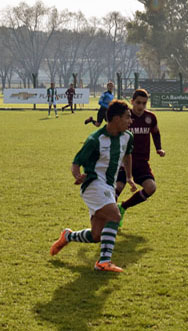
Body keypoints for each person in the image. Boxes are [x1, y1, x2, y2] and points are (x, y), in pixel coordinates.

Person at [50, 100, 137, 273]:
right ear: (116, 118)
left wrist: (129, 177)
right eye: (127, 117)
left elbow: (127, 155)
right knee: (115, 215)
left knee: (97, 235)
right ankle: (104, 262)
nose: (130, 121)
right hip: (93, 185)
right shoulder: (95, 139)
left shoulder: (127, 136)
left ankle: (68, 236)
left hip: (108, 187)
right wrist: (77, 175)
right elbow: (76, 162)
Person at [115, 89, 165, 228]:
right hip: (124, 161)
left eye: (144, 103)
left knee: (151, 188)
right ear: (132, 102)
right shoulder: (124, 117)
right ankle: (109, 219)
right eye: (138, 103)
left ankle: (123, 207)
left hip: (141, 162)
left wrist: (158, 148)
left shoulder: (150, 117)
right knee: (117, 188)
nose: (141, 106)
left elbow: (155, 132)